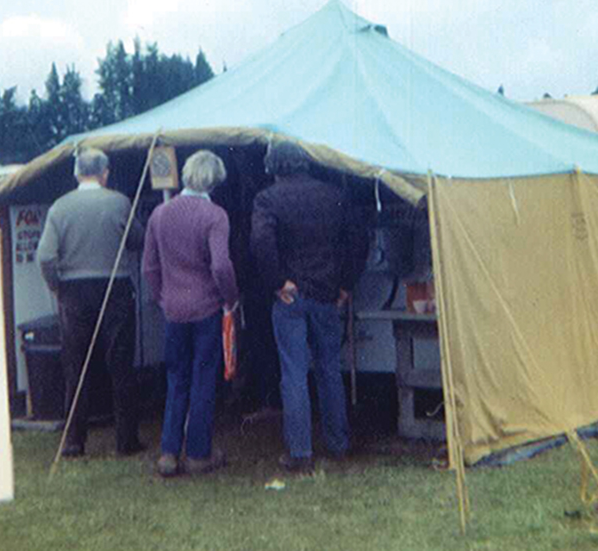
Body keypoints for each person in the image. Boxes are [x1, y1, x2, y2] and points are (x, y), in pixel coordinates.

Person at [250, 141, 369, 472]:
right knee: (330, 369)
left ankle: (300, 452)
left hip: (291, 296)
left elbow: (260, 242)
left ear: (273, 167)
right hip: (327, 294)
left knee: (294, 373)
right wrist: (346, 283)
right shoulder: (333, 194)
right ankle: (338, 443)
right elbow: (359, 238)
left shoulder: (267, 199)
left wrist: (277, 282)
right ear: (305, 163)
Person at [37, 147, 144, 458]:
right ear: (106, 172)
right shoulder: (120, 202)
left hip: (73, 292)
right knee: (121, 365)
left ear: (75, 173)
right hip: (114, 287)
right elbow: (137, 240)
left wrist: (56, 285)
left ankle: (74, 441)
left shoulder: (59, 207)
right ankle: (126, 440)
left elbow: (45, 256)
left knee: (75, 368)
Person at [143, 150, 239, 477]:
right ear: (214, 180)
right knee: (203, 378)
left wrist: (162, 298)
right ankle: (198, 453)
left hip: (173, 311)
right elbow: (221, 265)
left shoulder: (159, 214)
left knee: (176, 379)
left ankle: (169, 452)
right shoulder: (215, 216)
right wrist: (232, 299)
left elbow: (149, 267)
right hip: (207, 310)